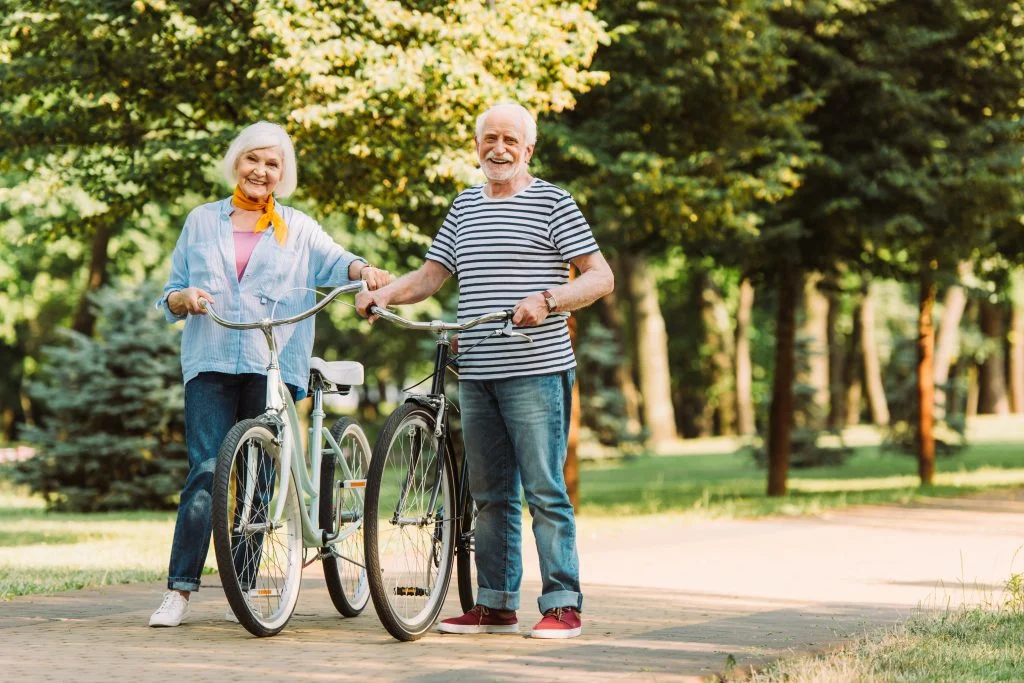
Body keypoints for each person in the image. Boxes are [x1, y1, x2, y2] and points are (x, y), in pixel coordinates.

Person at [355, 102, 614, 639]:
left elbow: (600, 277)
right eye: (489, 139)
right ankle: (495, 604)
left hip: (536, 370)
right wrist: (381, 294)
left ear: (528, 149)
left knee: (544, 491)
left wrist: (549, 298)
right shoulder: (465, 206)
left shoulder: (553, 203)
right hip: (476, 371)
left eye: (509, 141)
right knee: (491, 495)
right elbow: (430, 278)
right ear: (477, 146)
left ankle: (563, 604)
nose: (498, 149)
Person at [149, 121, 392, 627]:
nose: (261, 170)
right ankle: (180, 590)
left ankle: (244, 585)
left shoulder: (297, 227)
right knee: (207, 471)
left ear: (284, 174)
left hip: (270, 365)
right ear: (237, 161)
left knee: (261, 476)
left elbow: (336, 260)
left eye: (272, 163)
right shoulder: (200, 221)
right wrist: (184, 298)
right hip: (210, 361)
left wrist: (364, 270)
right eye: (253, 159)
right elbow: (169, 292)